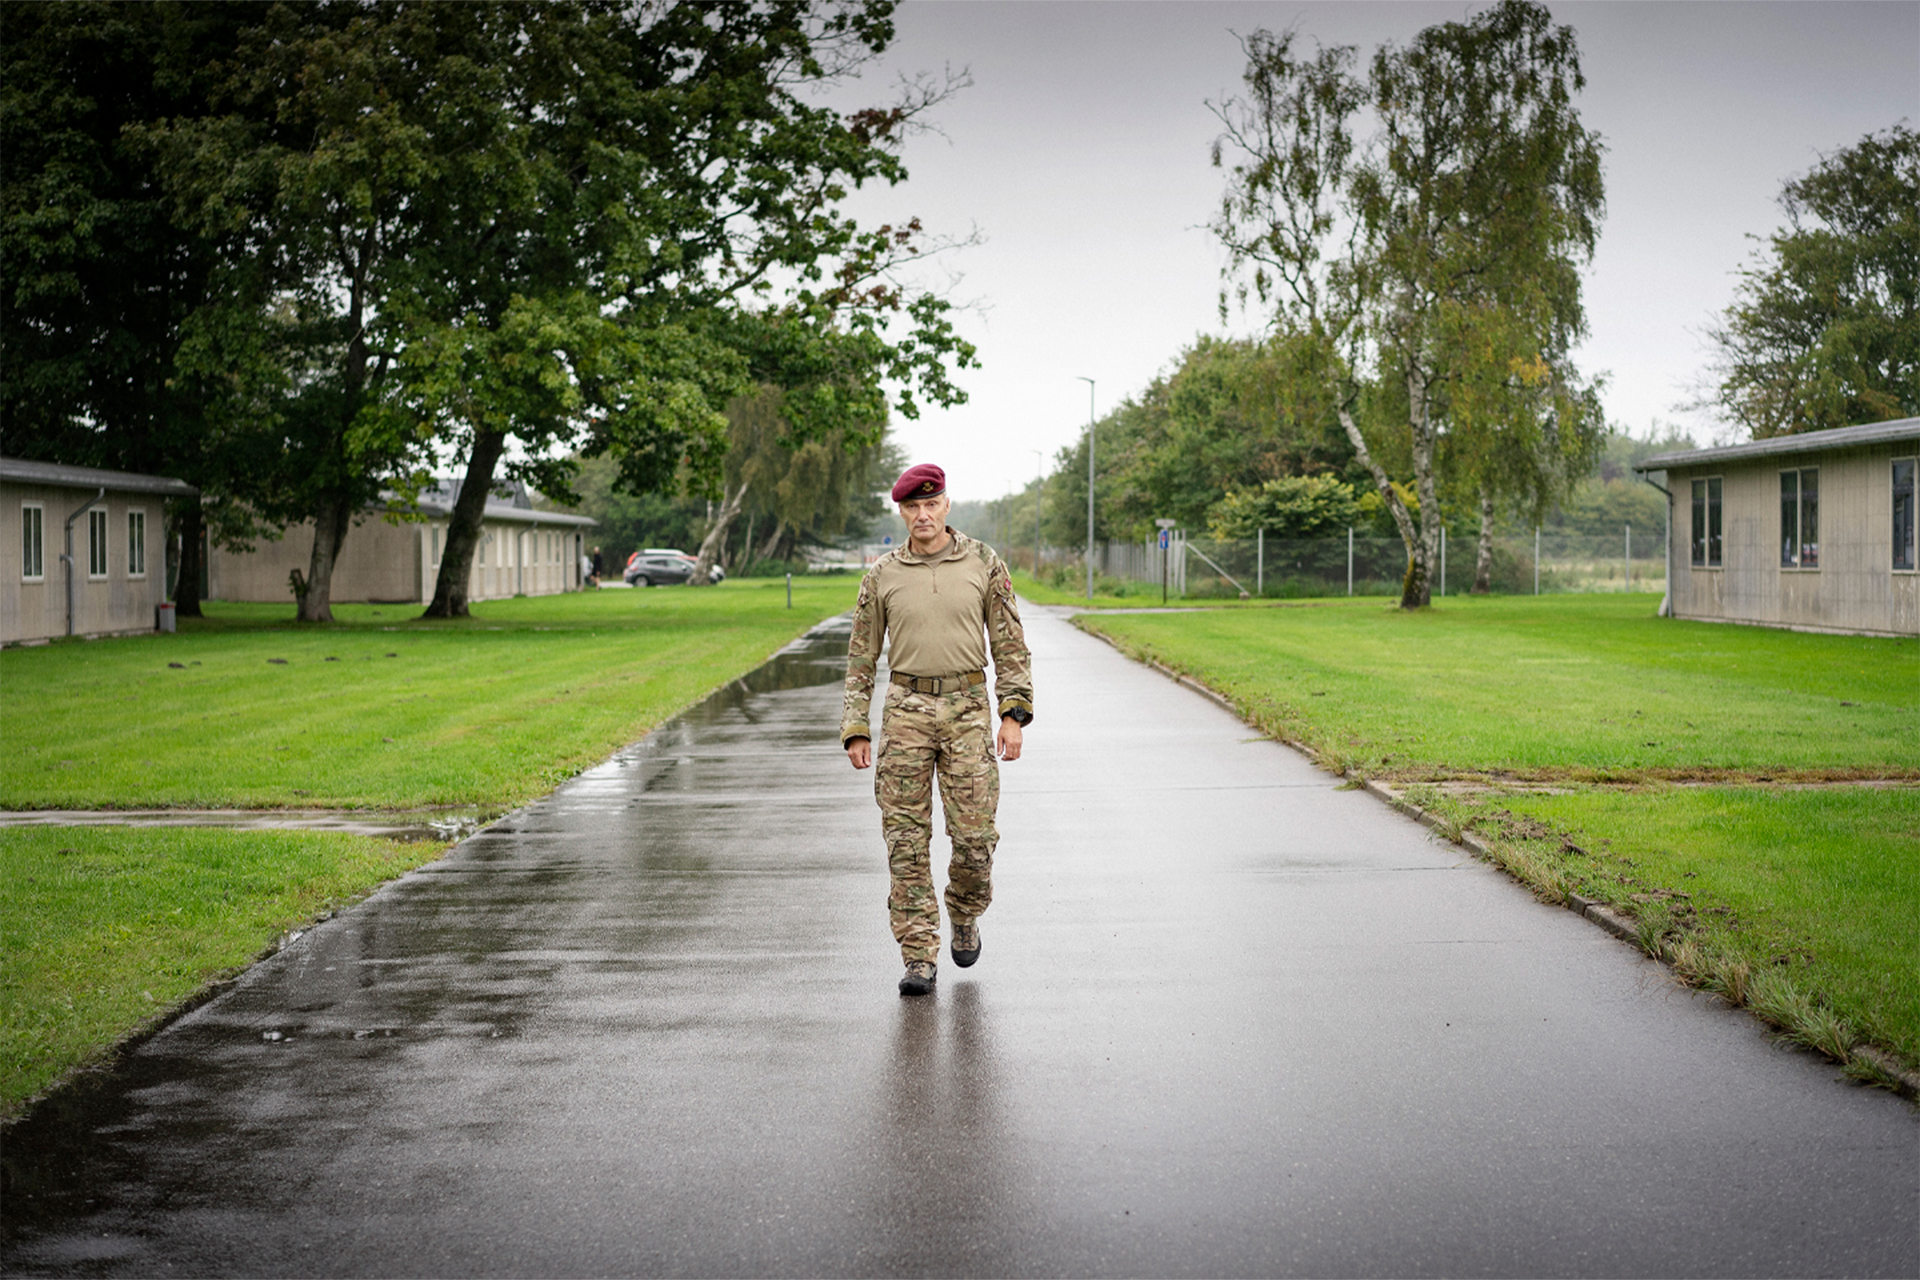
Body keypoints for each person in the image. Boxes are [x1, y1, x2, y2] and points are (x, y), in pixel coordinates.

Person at [842, 463, 1033, 996]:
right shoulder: (882, 574)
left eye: (932, 504)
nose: (922, 515)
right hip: (905, 711)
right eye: (912, 507)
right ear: (900, 512)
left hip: (969, 709)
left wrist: (1012, 714)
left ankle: (965, 911)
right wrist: (856, 725)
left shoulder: (983, 562)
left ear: (947, 504)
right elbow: (861, 656)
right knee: (906, 842)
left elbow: (1010, 645)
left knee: (974, 840)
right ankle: (919, 955)